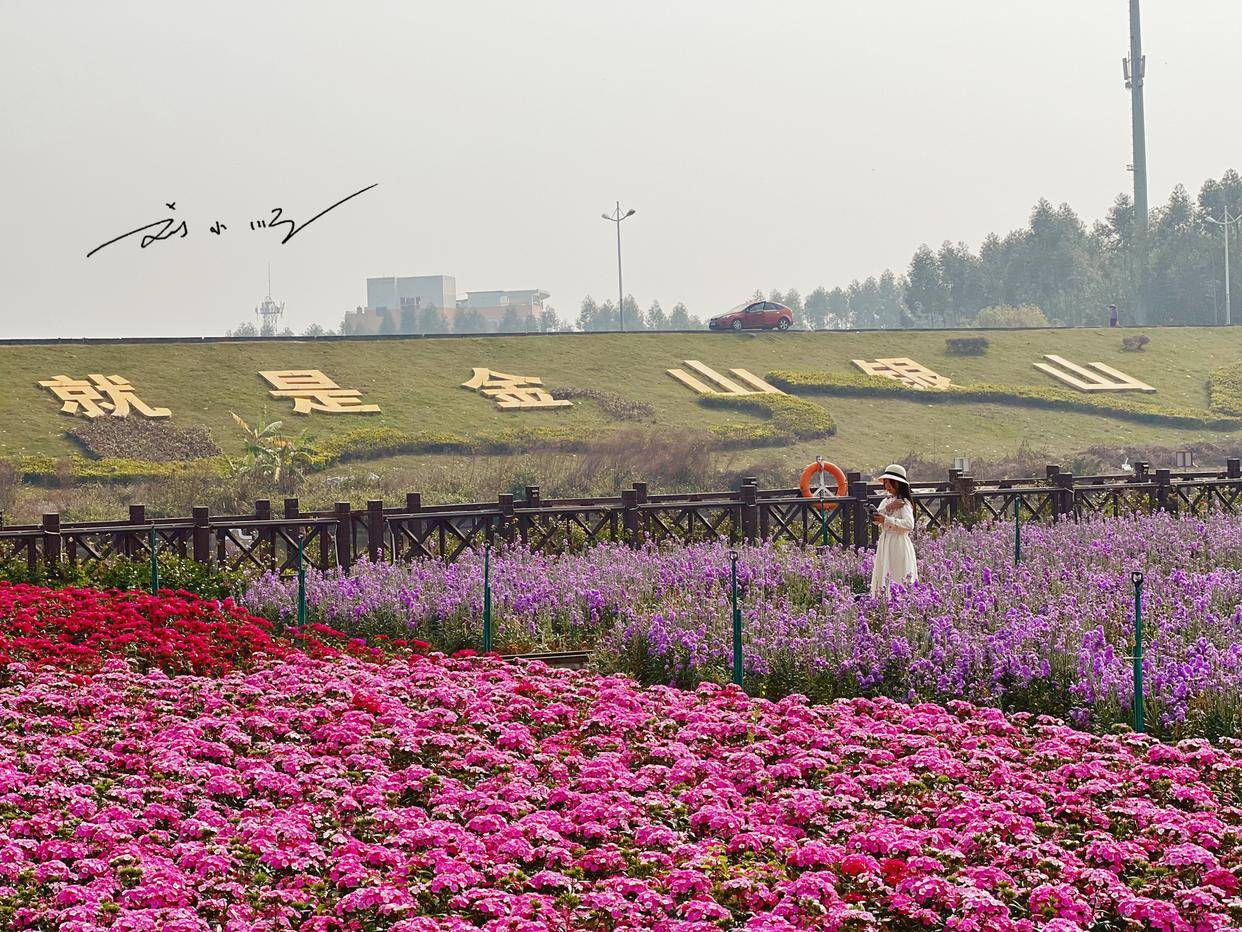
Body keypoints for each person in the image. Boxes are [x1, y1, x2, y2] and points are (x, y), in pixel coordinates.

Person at [870, 464, 918, 597]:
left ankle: (899, 600)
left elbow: (909, 524)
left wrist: (887, 520)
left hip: (898, 541)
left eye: (890, 482)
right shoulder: (886, 501)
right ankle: (882, 600)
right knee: (883, 570)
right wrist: (888, 508)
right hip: (886, 541)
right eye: (885, 482)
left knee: (897, 571)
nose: (887, 486)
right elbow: (876, 519)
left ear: (898, 484)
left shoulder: (904, 503)